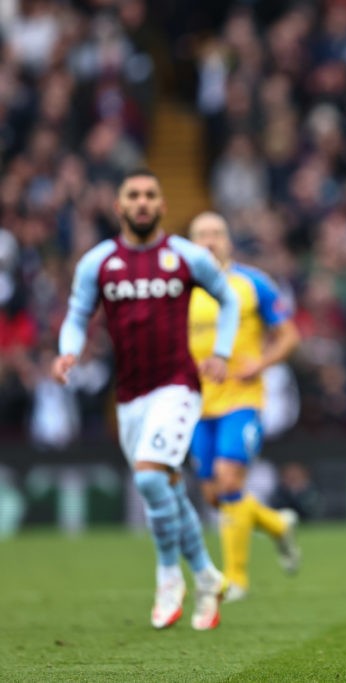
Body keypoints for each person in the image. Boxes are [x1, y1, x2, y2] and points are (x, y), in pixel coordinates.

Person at [52, 170, 240, 630]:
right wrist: (68, 350)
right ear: (118, 206)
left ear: (160, 206)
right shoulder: (98, 262)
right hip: (130, 397)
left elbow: (228, 300)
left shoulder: (186, 256)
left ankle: (168, 578)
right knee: (168, 488)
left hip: (177, 386)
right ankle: (207, 575)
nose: (141, 202)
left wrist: (220, 351)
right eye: (132, 195)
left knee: (151, 478)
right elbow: (77, 316)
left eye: (149, 195)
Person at [187, 211, 302, 602]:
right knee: (214, 495)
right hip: (197, 405)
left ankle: (235, 579)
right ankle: (275, 524)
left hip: (242, 399)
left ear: (228, 240)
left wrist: (262, 363)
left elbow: (288, 335)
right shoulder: (180, 291)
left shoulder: (252, 284)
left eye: (216, 233)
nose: (209, 240)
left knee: (229, 479)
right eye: (201, 234)